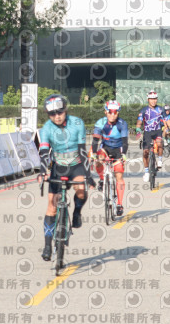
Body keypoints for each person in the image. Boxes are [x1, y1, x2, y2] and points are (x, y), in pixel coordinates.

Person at [38, 94, 91, 262]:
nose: (57, 117)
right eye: (52, 114)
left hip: (76, 164)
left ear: (65, 110)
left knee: (81, 189)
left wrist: (88, 175)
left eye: (59, 112)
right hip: (58, 167)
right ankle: (47, 246)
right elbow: (44, 152)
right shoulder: (46, 128)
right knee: (52, 205)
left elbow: (82, 151)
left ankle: (77, 212)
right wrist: (42, 171)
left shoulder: (77, 123)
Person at [91, 100, 128, 216]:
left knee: (119, 175)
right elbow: (95, 140)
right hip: (105, 148)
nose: (112, 114)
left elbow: (125, 142)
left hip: (118, 149)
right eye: (110, 112)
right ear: (105, 112)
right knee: (98, 159)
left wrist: (123, 154)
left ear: (118, 113)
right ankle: (102, 179)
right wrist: (94, 154)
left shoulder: (122, 123)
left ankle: (119, 204)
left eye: (115, 112)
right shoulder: (100, 123)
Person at [136, 90, 170, 183]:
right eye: (151, 99)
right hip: (147, 132)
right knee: (145, 152)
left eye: (155, 99)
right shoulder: (144, 110)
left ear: (157, 99)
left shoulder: (161, 109)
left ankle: (160, 159)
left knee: (159, 143)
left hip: (157, 131)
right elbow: (139, 120)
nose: (153, 101)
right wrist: (138, 128)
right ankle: (146, 172)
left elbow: (167, 120)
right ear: (148, 100)